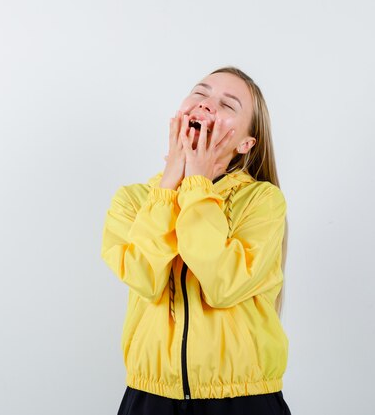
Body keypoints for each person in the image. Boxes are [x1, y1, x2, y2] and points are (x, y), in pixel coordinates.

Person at [100, 66, 292, 415]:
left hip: (245, 401)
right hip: (149, 399)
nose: (206, 105)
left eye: (227, 104)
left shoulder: (263, 202)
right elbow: (144, 277)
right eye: (200, 93)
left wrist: (197, 185)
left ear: (246, 143)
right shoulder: (133, 200)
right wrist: (171, 183)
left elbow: (222, 284)